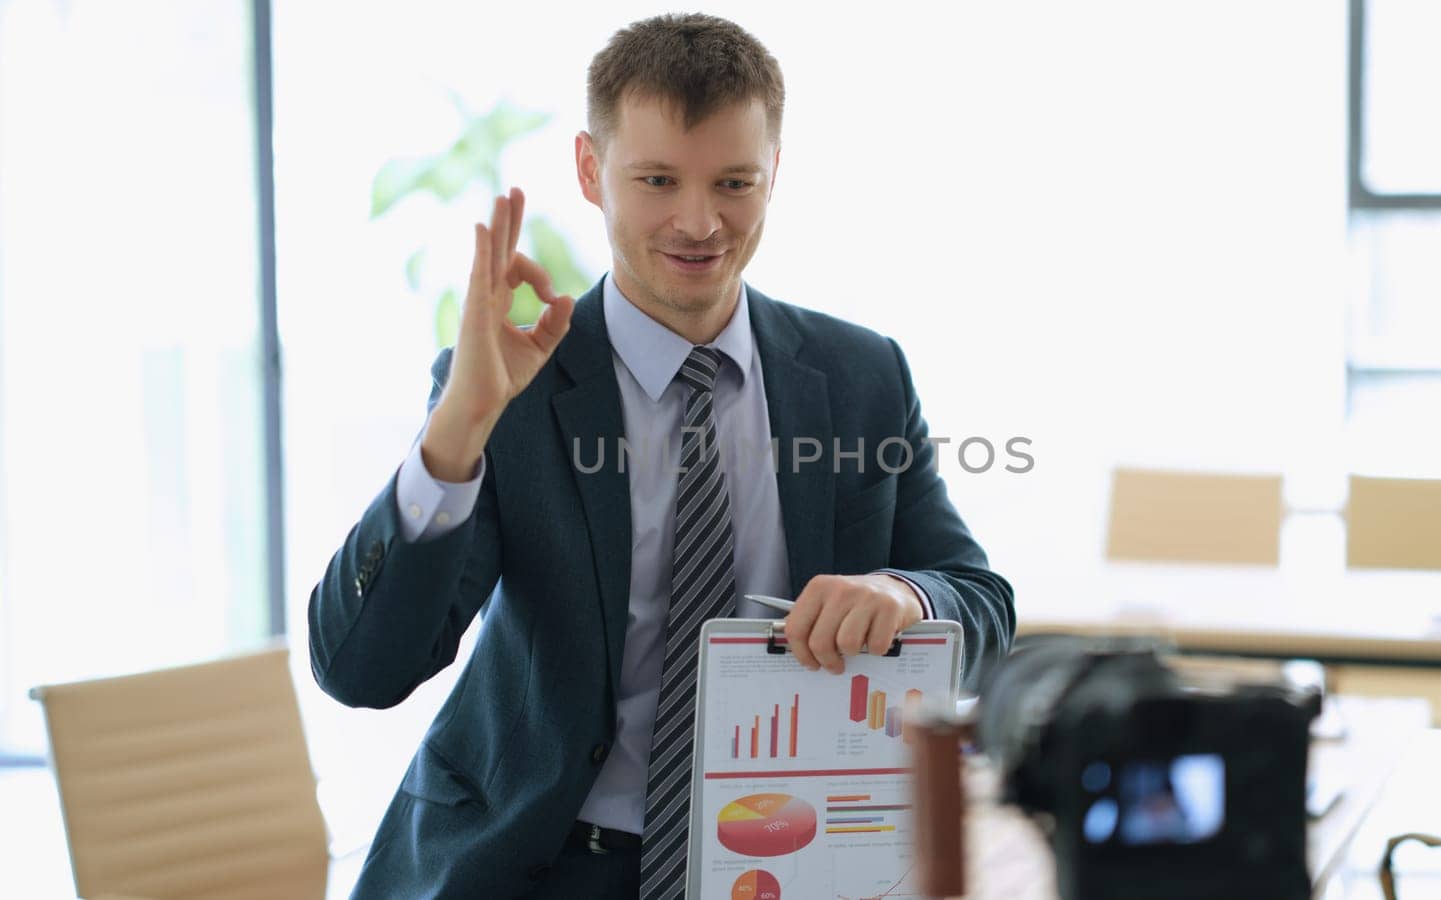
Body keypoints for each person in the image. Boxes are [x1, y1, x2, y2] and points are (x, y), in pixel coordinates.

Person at [307, 12, 1014, 899]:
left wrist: (904, 593)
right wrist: (461, 426)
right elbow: (360, 672)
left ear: (774, 173)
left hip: (789, 861)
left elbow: (982, 604)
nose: (698, 221)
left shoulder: (860, 374)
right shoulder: (507, 391)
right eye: (656, 179)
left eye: (733, 182)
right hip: (542, 862)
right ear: (590, 170)